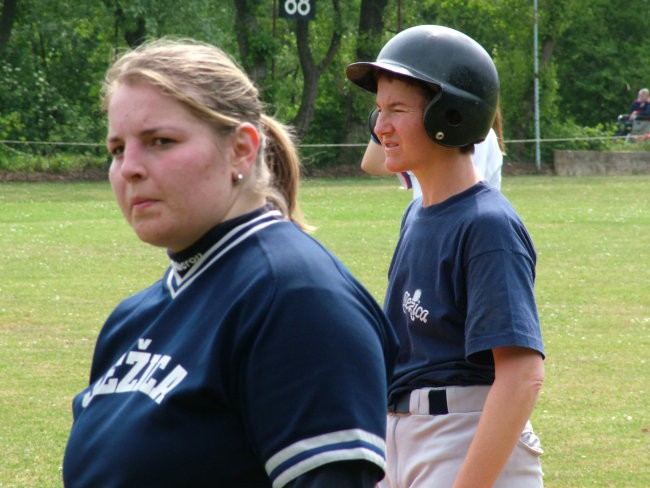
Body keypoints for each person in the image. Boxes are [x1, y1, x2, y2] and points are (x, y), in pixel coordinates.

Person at [62, 38, 399, 488]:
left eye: (160, 141)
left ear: (241, 148)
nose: (129, 168)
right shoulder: (130, 319)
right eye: (118, 149)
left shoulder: (296, 299)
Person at [346, 25, 545, 487]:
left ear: (452, 114)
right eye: (379, 110)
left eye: (397, 110)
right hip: (405, 435)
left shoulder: (486, 224)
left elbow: (521, 376)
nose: (380, 127)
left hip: (461, 436)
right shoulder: (418, 214)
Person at [360, 105, 505, 196]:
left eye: (399, 109)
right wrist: (387, 110)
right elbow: (372, 163)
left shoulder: (474, 136)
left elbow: (461, 195)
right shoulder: (425, 139)